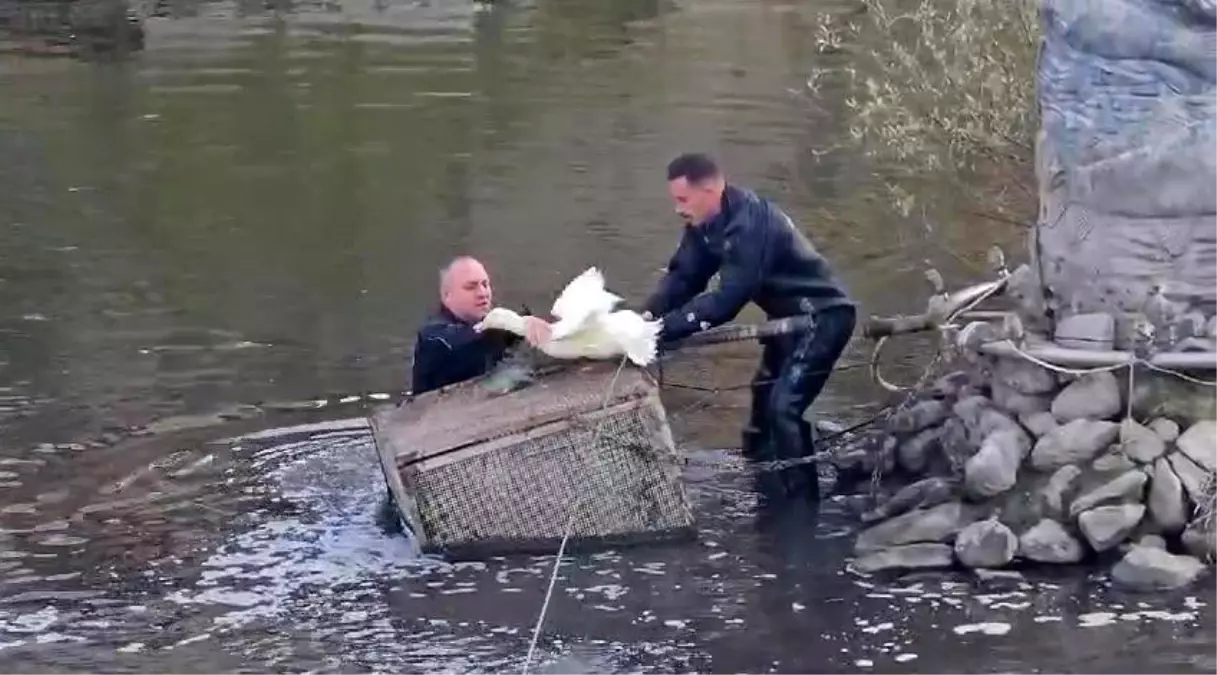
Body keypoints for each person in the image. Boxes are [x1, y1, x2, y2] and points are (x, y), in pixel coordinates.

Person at [642, 152, 857, 501]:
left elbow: (727, 301)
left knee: (784, 408)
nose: (678, 208)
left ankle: (802, 509)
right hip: (786, 323)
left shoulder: (750, 224)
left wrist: (666, 330)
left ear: (710, 190)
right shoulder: (706, 226)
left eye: (683, 199)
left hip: (824, 317)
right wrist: (646, 319)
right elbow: (684, 278)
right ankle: (763, 484)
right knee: (761, 403)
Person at [410, 256, 550, 395]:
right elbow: (460, 342)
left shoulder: (492, 327)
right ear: (447, 295)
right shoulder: (432, 336)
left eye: (485, 284)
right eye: (471, 287)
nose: (483, 293)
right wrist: (516, 325)